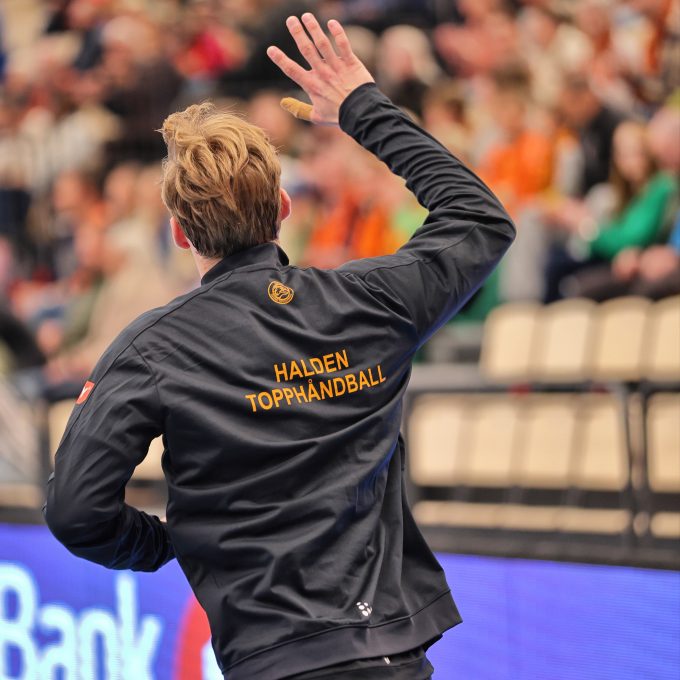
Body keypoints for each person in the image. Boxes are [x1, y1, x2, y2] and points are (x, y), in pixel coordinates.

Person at [44, 14, 515, 680]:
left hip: (269, 659)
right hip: (389, 654)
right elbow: (479, 218)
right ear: (284, 208)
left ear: (179, 232)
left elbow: (75, 511)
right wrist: (361, 106)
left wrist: (167, 543)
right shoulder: (367, 301)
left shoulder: (153, 348)